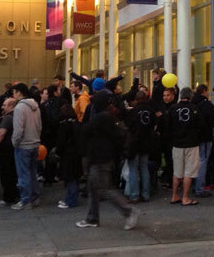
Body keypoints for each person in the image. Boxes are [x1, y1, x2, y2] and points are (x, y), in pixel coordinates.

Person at [76, 90, 140, 229]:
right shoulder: (107, 116)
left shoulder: (101, 117)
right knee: (95, 188)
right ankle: (92, 218)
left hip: (100, 158)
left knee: (103, 189)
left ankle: (128, 211)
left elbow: (86, 129)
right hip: (101, 157)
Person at [168, 87, 202, 205]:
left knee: (177, 172)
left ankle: (174, 195)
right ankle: (185, 198)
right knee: (189, 172)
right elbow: (199, 126)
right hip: (191, 143)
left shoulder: (173, 108)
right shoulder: (194, 108)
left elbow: (168, 125)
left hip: (177, 143)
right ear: (191, 96)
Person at [11, 82, 42, 210]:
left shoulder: (19, 108)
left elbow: (18, 130)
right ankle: (35, 198)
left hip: (23, 145)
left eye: (14, 92)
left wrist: (14, 142)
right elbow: (39, 126)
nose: (13, 95)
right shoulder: (36, 106)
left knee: (23, 174)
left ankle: (25, 200)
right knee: (32, 173)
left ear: (19, 92)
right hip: (35, 143)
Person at [125, 89, 155, 202]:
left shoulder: (133, 111)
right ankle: (146, 194)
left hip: (134, 143)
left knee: (133, 169)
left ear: (136, 100)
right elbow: (153, 125)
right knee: (144, 168)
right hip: (146, 142)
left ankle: (134, 195)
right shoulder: (150, 110)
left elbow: (130, 127)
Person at [0, 97, 20, 207]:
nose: (2, 107)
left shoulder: (8, 118)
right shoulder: (17, 116)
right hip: (13, 148)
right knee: (12, 174)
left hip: (5, 149)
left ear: (11, 106)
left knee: (6, 174)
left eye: (4, 105)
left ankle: (8, 197)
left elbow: (2, 133)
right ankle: (14, 194)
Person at [192, 84, 214, 198]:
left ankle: (194, 185)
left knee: (195, 162)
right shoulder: (207, 105)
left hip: (194, 137)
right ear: (204, 91)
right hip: (205, 136)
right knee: (203, 161)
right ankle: (199, 188)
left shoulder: (192, 104)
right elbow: (213, 122)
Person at [56, 103, 82, 208]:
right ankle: (71, 199)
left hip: (68, 153)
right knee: (75, 177)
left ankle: (70, 201)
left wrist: (58, 151)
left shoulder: (64, 125)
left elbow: (61, 141)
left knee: (70, 178)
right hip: (77, 153)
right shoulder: (77, 123)